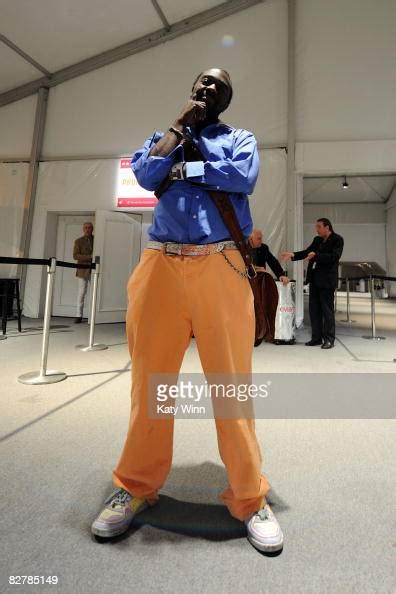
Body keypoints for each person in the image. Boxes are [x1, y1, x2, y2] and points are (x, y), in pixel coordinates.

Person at [91, 68, 284, 553]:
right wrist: (178, 131)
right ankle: (135, 485)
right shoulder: (165, 136)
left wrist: (183, 170)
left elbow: (242, 176)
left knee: (231, 384)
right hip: (160, 264)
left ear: (227, 99)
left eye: (218, 85)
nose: (207, 89)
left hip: (221, 264)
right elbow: (145, 172)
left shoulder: (240, 138)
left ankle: (248, 496)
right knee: (149, 384)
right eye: (201, 82)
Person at [281, 218, 344, 349]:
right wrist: (293, 255)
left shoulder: (337, 240)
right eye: (316, 227)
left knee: (327, 311)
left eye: (319, 227)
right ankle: (316, 338)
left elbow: (334, 257)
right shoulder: (317, 240)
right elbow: (307, 252)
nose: (317, 229)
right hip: (315, 280)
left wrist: (316, 255)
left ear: (327, 227)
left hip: (327, 281)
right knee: (314, 310)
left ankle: (329, 339)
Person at [73, 222, 94, 323]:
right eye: (85, 227)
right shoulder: (78, 241)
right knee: (82, 292)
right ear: (83, 229)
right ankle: (78, 315)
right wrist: (89, 257)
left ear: (92, 229)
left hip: (94, 269)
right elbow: (75, 256)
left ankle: (93, 315)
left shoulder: (96, 239)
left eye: (89, 228)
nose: (87, 229)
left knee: (95, 292)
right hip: (82, 270)